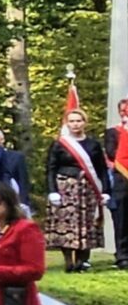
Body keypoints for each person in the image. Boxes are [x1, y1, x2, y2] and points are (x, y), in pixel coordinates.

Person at [43, 106, 109, 272]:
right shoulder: (59, 144)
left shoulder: (93, 144)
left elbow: (102, 170)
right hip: (65, 188)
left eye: (79, 121)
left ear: (85, 123)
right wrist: (52, 191)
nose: (75, 124)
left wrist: (106, 191)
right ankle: (68, 261)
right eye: (72, 121)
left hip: (88, 189)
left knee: (87, 224)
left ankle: (82, 261)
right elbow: (51, 169)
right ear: (67, 123)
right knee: (65, 225)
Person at [101, 101, 128, 269]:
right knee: (122, 219)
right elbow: (112, 153)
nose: (125, 112)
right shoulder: (113, 132)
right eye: (123, 110)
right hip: (122, 181)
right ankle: (123, 256)